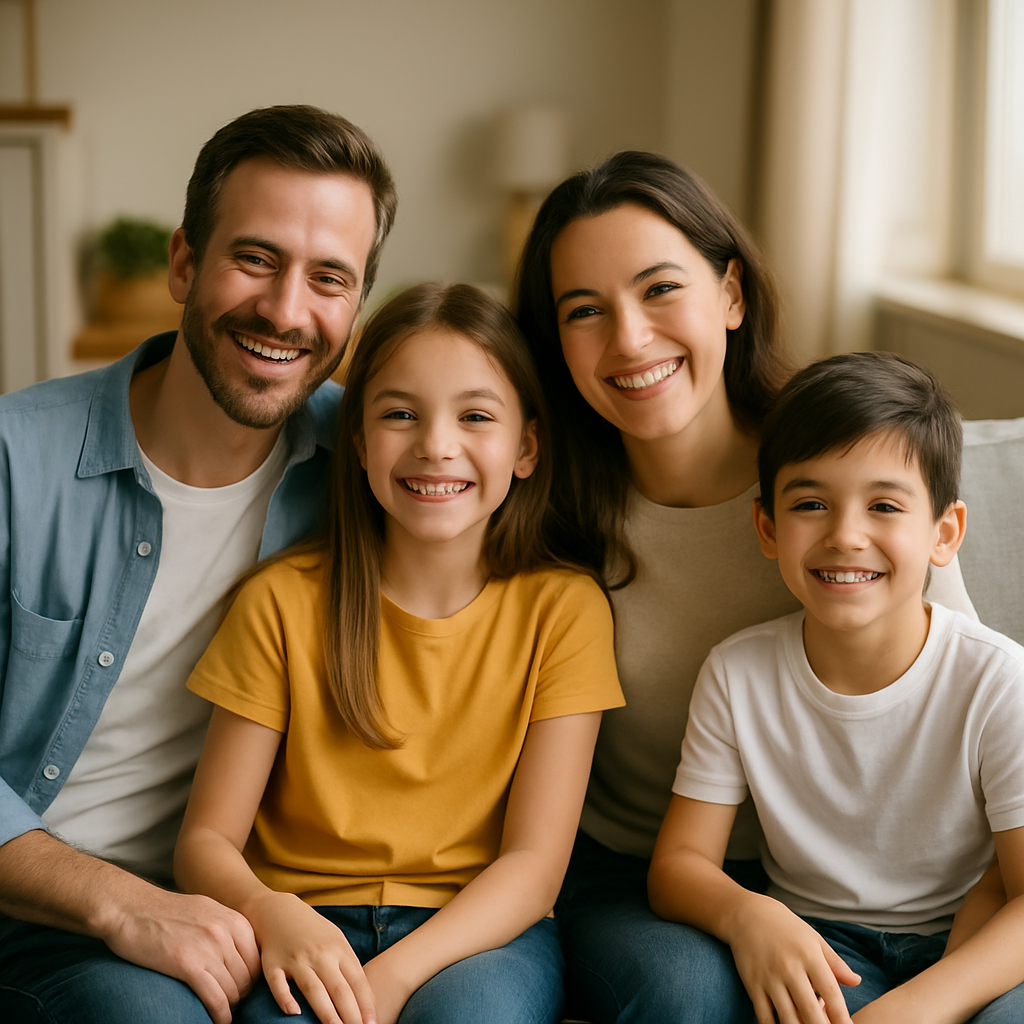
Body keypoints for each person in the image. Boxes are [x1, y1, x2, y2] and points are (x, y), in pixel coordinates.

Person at [514, 150, 978, 1022]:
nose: (630, 339)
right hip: (643, 868)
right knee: (686, 996)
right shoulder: (544, 513)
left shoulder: (840, 477)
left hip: (855, 879)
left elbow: (958, 683)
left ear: (730, 294)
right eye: (585, 311)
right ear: (557, 345)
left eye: (659, 290)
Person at [0, 104, 397, 1024]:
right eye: (254, 257)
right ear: (185, 262)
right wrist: (118, 901)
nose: (286, 311)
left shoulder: (373, 467)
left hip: (244, 908)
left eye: (329, 278)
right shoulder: (17, 459)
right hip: (40, 914)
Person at [173, 282, 624, 1024]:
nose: (435, 445)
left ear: (526, 448)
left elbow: (534, 868)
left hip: (478, 936)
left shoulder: (564, 611)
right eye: (399, 414)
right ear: (356, 442)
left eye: (475, 415)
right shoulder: (282, 601)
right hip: (301, 925)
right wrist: (273, 915)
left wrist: (392, 980)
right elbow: (206, 841)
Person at [648, 351, 1024, 1023]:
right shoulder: (739, 674)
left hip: (970, 941)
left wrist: (918, 1007)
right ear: (768, 528)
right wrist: (748, 915)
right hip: (815, 945)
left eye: (884, 505)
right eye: (812, 504)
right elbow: (678, 866)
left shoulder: (996, 680)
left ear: (945, 534)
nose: (846, 535)